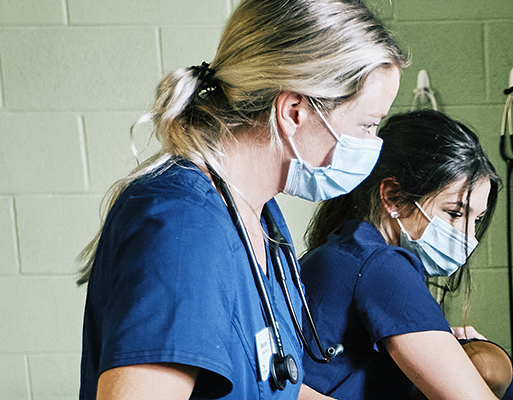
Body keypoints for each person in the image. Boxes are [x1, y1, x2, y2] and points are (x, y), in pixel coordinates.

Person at [76, 0, 406, 399]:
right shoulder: (184, 225)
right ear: (295, 111)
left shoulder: (259, 215)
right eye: (367, 125)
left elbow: (272, 382)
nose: (373, 143)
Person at [298, 110, 513, 400]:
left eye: (476, 219)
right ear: (393, 196)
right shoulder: (380, 265)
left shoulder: (343, 251)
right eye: (454, 213)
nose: (468, 237)